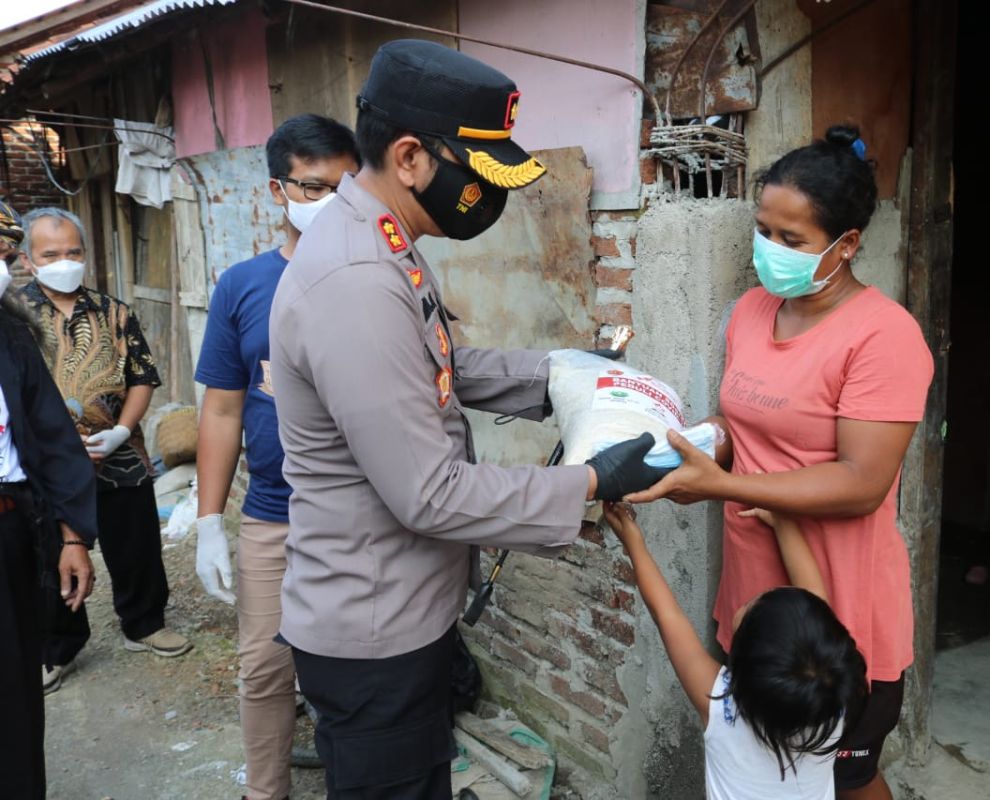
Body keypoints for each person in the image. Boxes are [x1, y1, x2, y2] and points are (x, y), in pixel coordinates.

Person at [268, 39, 663, 798]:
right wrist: (586, 482)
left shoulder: (386, 243)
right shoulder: (355, 280)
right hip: (374, 633)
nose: (486, 190)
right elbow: (430, 494)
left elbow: (438, 365)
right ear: (411, 157)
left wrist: (559, 374)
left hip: (400, 614)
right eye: (476, 170)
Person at [626, 126, 935, 800]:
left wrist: (722, 484)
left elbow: (862, 482)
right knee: (775, 767)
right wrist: (678, 445)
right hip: (757, 592)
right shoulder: (751, 312)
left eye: (791, 240)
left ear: (846, 244)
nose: (770, 251)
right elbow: (741, 426)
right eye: (764, 231)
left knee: (847, 775)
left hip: (837, 598)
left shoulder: (884, 337)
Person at [194, 113, 360, 800]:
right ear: (276, 191)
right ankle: (265, 791)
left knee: (354, 670)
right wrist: (208, 519)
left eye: (347, 190)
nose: (333, 204)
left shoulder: (380, 277)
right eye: (315, 188)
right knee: (265, 669)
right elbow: (224, 408)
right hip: (274, 515)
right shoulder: (243, 286)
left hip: (362, 515)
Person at [19, 207, 191, 694]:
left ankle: (144, 623)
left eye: (73, 251)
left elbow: (141, 377)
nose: (65, 261)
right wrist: (54, 437)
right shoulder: (14, 316)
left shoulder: (115, 312)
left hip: (116, 451)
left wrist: (121, 430)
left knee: (135, 542)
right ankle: (58, 646)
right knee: (52, 552)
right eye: (51, 254)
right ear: (30, 261)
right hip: (46, 458)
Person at [602, 501, 866, 800]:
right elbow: (816, 603)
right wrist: (782, 523)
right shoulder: (831, 700)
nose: (749, 599)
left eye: (750, 607)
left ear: (739, 662)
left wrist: (633, 542)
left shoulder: (721, 706)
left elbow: (667, 616)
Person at [1, 208, 97, 800]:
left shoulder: (11, 335)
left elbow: (53, 441)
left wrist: (71, 536)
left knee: (12, 695)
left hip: (11, 529)